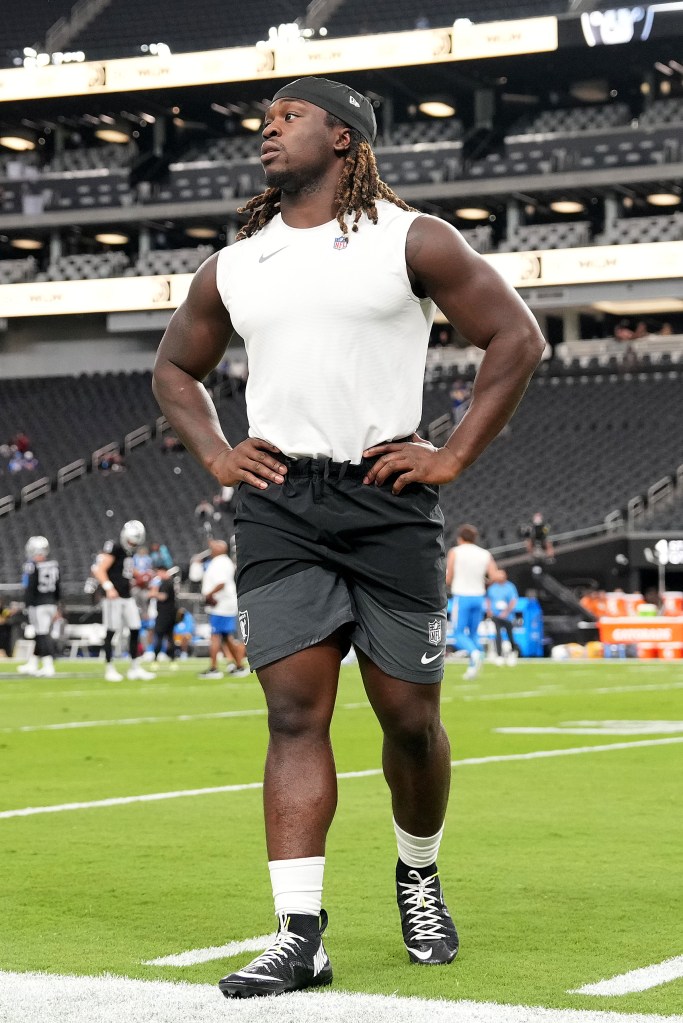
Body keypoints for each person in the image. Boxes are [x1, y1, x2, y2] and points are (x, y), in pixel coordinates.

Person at [152, 74, 545, 998]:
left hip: (385, 496)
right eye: (265, 120)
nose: (268, 131)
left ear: (343, 137)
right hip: (280, 501)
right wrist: (214, 452)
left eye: (288, 117)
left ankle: (417, 873)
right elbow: (176, 367)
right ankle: (299, 932)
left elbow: (516, 338)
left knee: (409, 719)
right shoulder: (238, 262)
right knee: (294, 714)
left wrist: (448, 455)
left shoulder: (411, 238)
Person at [91, 520, 156, 682]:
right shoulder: (114, 547)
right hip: (114, 597)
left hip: (127, 596)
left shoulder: (128, 552)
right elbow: (99, 570)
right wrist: (108, 587)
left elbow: (124, 567)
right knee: (111, 631)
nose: (132, 543)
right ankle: (109, 668)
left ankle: (134, 667)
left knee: (135, 628)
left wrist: (138, 575)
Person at [446, 524, 497, 680]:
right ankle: (473, 667)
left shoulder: (455, 552)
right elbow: (494, 575)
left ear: (460, 538)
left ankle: (474, 653)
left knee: (458, 633)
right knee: (474, 633)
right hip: (478, 596)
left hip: (462, 596)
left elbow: (449, 577)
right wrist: (482, 582)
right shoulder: (484, 553)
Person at [198, 539, 248, 679]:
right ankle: (239, 666)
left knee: (215, 635)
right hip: (224, 603)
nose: (211, 547)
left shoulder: (221, 562)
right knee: (226, 637)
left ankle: (214, 669)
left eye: (215, 546)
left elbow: (221, 583)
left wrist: (208, 595)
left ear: (222, 549)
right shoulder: (221, 561)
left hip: (221, 605)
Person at [17, 536, 60, 677]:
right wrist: (57, 605)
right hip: (51, 603)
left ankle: (48, 664)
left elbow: (30, 588)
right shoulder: (54, 564)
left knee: (42, 634)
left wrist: (27, 605)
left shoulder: (31, 565)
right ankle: (33, 663)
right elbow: (58, 588)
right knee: (39, 633)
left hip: (38, 604)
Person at [485, 569, 521, 666]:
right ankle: (499, 655)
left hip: (507, 616)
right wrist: (489, 610)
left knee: (510, 635)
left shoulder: (510, 587)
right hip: (496, 616)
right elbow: (488, 599)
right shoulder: (492, 588)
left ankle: (513, 653)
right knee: (498, 635)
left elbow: (513, 600)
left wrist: (507, 612)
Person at [148, 566, 180, 668]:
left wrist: (154, 593)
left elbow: (163, 596)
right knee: (170, 637)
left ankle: (156, 659)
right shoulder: (169, 582)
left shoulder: (166, 583)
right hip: (169, 614)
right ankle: (172, 660)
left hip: (164, 614)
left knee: (160, 637)